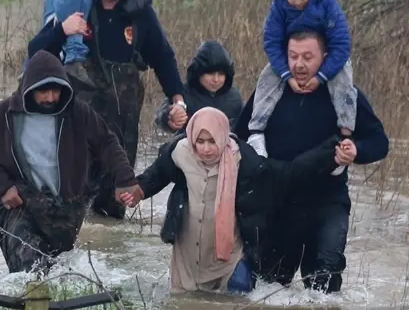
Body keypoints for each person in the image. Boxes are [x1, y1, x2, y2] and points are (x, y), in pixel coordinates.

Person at [28, 0, 186, 219]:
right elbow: (36, 51)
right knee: (69, 202)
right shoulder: (78, 6)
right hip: (76, 126)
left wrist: (178, 100)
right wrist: (62, 30)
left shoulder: (139, 14)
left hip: (122, 131)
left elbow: (163, 58)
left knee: (112, 209)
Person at [235, 30, 389, 293]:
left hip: (328, 201)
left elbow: (379, 142)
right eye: (293, 56)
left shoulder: (344, 95)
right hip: (280, 203)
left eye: (308, 57)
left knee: (326, 284)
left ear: (325, 58)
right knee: (270, 289)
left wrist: (356, 150)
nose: (299, 64)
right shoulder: (269, 92)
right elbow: (239, 136)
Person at [122, 107, 339, 294]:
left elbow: (286, 174)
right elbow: (158, 173)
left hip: (228, 254)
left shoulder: (243, 161)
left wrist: (330, 156)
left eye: (212, 141)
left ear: (223, 137)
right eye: (200, 141)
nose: (206, 149)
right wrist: (138, 190)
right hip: (187, 250)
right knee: (184, 303)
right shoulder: (180, 152)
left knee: (235, 298)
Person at [0, 50, 139, 273]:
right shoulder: (3, 114)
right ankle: (19, 303)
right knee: (30, 267)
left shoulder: (78, 113)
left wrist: (125, 180)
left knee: (57, 272)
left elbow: (107, 143)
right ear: (29, 88)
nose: (50, 97)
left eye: (55, 90)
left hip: (64, 210)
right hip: (18, 203)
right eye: (44, 91)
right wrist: (3, 186)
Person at [247, 0, 357, 177]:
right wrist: (286, 74)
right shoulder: (278, 6)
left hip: (325, 60)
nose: (296, 3)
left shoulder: (327, 4)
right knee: (266, 78)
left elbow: (341, 43)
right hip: (289, 57)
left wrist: (321, 76)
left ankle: (345, 137)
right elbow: (271, 41)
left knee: (345, 81)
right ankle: (257, 131)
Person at [156, 39, 244, 134]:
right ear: (198, 72)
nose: (216, 79)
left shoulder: (234, 96)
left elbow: (243, 127)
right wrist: (170, 118)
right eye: (210, 73)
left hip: (226, 144)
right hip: (187, 144)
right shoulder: (182, 93)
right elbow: (160, 119)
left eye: (221, 74)